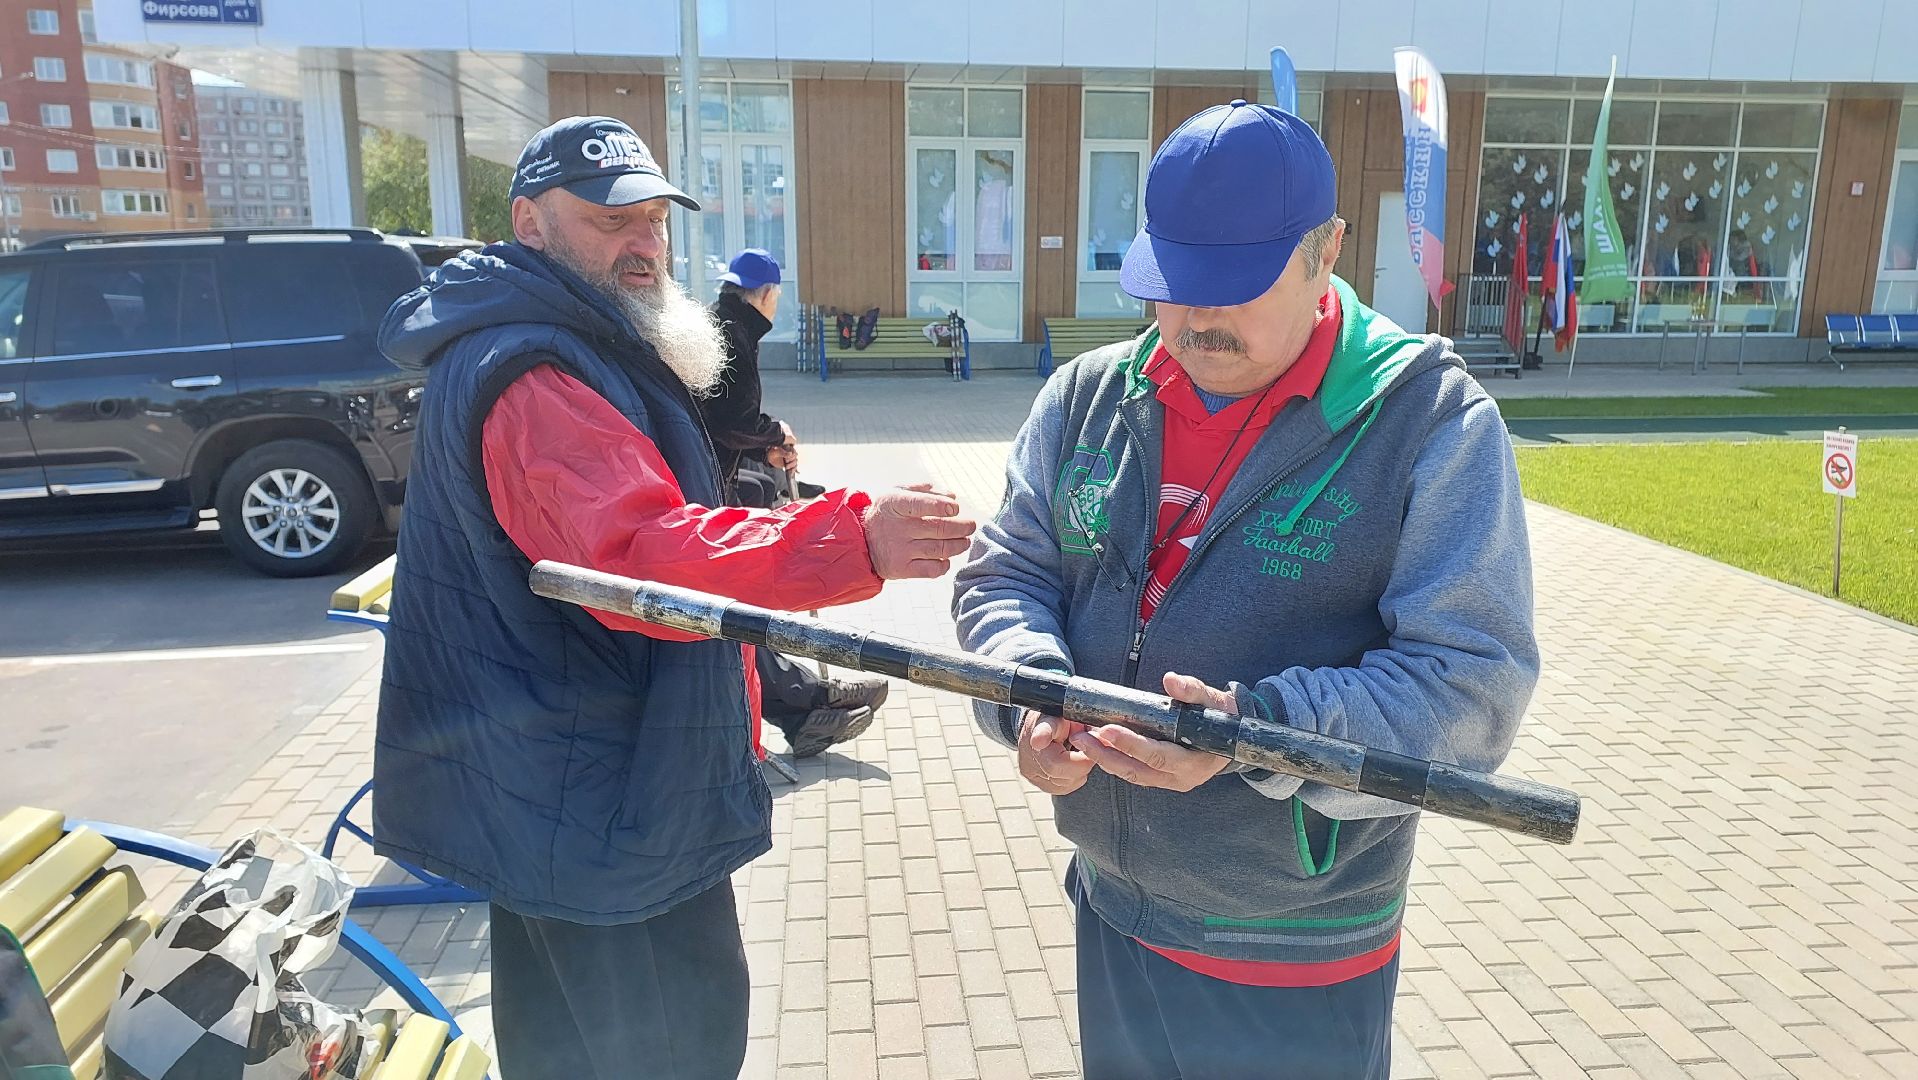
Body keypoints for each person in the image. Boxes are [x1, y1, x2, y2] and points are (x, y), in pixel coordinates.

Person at [371, 115, 975, 1080]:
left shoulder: (555, 337)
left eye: (654, 218)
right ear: (529, 223)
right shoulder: (534, 370)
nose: (645, 242)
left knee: (576, 1049)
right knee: (670, 1047)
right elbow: (642, 563)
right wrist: (851, 542)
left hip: (560, 797)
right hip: (602, 804)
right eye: (610, 220)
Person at [953, 100, 1539, 1079]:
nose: (1197, 320)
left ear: (1326, 250)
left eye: (1235, 284)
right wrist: (1029, 695)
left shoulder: (1432, 423)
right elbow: (1006, 573)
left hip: (1296, 953)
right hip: (1114, 907)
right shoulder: (1089, 396)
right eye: (1174, 284)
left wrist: (1257, 733)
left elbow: (1470, 688)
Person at [703, 246, 892, 757]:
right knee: (733, 606)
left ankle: (809, 701)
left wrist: (766, 448)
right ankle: (811, 700)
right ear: (767, 293)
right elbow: (732, 420)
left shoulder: (720, 323)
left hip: (709, 476)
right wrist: (774, 433)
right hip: (698, 489)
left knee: (740, 594)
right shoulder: (733, 333)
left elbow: (719, 420)